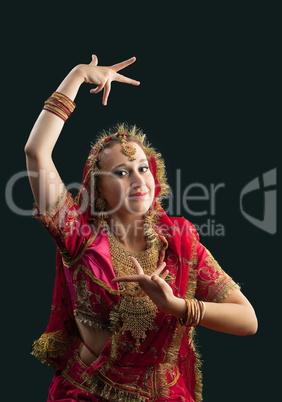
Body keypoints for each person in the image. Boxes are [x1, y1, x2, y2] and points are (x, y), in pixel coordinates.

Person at [25, 54, 258, 402]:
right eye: (121, 172)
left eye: (142, 168)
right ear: (97, 188)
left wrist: (177, 306)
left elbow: (248, 319)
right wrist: (76, 76)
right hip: (87, 394)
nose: (138, 180)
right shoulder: (79, 236)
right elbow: (36, 152)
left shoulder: (178, 242)